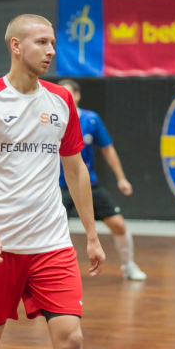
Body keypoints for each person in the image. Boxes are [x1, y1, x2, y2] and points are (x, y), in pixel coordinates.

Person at [0, 14, 106, 349]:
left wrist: (92, 236)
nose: (51, 51)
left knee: (71, 341)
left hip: (52, 243)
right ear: (16, 46)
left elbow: (76, 170)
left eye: (53, 43)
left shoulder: (62, 100)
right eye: (42, 42)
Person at [57, 79, 146, 281]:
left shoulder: (91, 119)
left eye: (68, 93)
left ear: (77, 96)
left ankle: (129, 265)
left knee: (118, 224)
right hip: (58, 187)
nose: (64, 98)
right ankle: (53, 275)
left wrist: (121, 179)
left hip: (88, 184)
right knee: (53, 232)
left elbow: (107, 149)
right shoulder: (50, 120)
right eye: (61, 94)